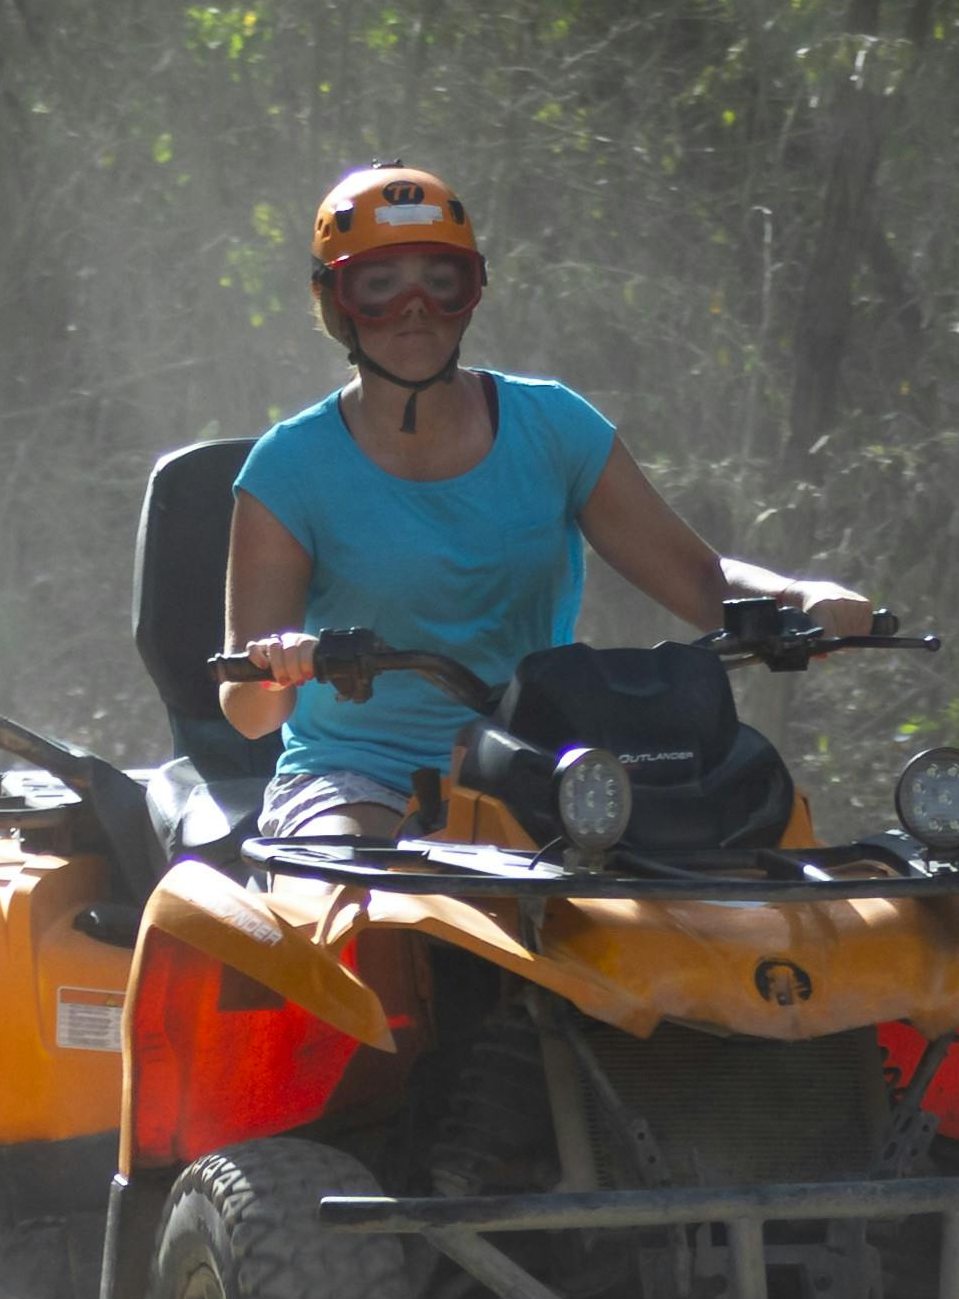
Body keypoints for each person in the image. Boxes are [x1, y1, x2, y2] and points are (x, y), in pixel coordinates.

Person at [215, 162, 884, 844]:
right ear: (335, 302)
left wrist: (800, 596)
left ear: (472, 291)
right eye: (379, 285)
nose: (413, 308)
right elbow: (245, 709)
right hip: (358, 780)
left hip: (538, 767)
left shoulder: (554, 426)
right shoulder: (287, 466)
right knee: (358, 889)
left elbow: (703, 581)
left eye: (440, 282)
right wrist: (279, 667)